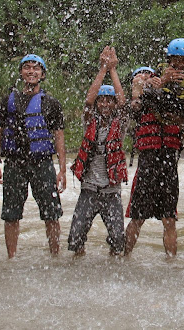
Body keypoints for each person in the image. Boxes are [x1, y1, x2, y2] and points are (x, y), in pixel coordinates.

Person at [0, 53, 67, 258]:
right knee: (11, 214)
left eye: (36, 68)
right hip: (15, 163)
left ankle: (55, 255)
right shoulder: (8, 100)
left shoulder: (51, 103)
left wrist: (61, 169)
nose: (31, 71)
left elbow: (59, 136)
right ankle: (11, 257)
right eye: (27, 68)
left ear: (42, 74)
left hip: (42, 163)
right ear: (21, 72)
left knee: (51, 213)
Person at [124, 53, 184, 258]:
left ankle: (172, 263)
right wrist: (140, 88)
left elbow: (183, 117)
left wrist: (163, 83)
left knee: (169, 220)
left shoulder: (169, 96)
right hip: (148, 163)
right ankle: (123, 258)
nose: (143, 78)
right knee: (137, 218)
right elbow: (134, 107)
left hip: (168, 163)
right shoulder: (139, 101)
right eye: (140, 76)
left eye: (147, 75)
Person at [68, 46, 129, 256]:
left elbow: (123, 103)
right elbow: (88, 100)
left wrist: (113, 70)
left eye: (108, 100)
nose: (104, 103)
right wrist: (103, 68)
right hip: (89, 190)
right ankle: (78, 265)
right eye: (101, 100)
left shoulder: (120, 124)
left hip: (111, 193)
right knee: (75, 239)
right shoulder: (89, 121)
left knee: (118, 241)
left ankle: (112, 268)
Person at [143, 38, 184, 125]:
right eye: (176, 59)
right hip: (165, 96)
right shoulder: (162, 68)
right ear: (169, 59)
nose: (179, 63)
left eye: (183, 60)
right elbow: (150, 84)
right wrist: (164, 79)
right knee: (147, 92)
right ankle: (157, 113)